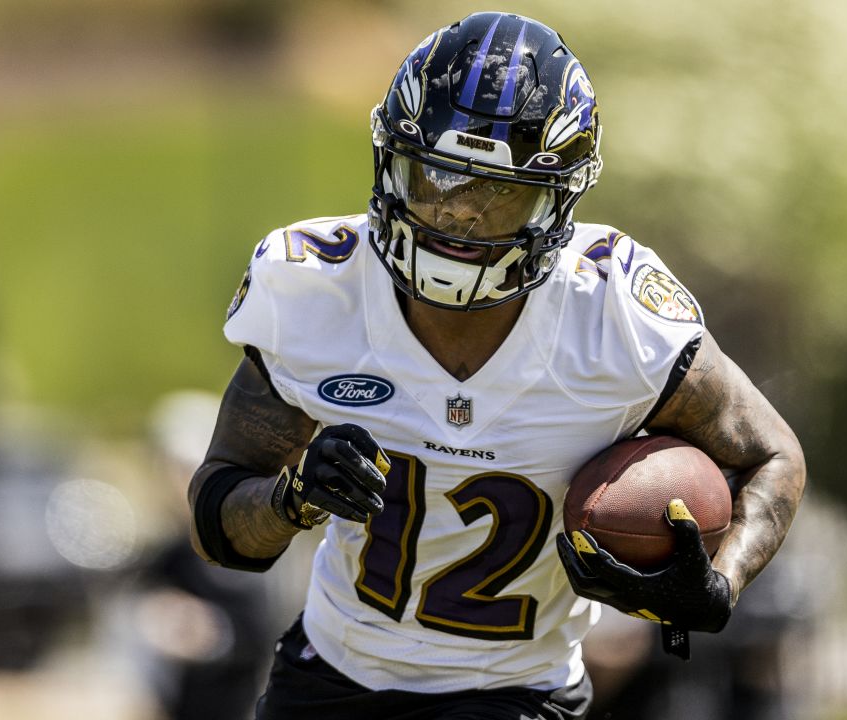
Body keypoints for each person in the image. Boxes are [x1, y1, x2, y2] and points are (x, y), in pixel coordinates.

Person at [188, 11, 806, 720]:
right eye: (436, 180)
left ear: (557, 203)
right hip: (334, 678)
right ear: (390, 160)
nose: (458, 219)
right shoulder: (316, 291)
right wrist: (292, 498)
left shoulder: (613, 318)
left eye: (497, 195)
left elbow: (773, 455)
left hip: (517, 694)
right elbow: (218, 522)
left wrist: (718, 583)